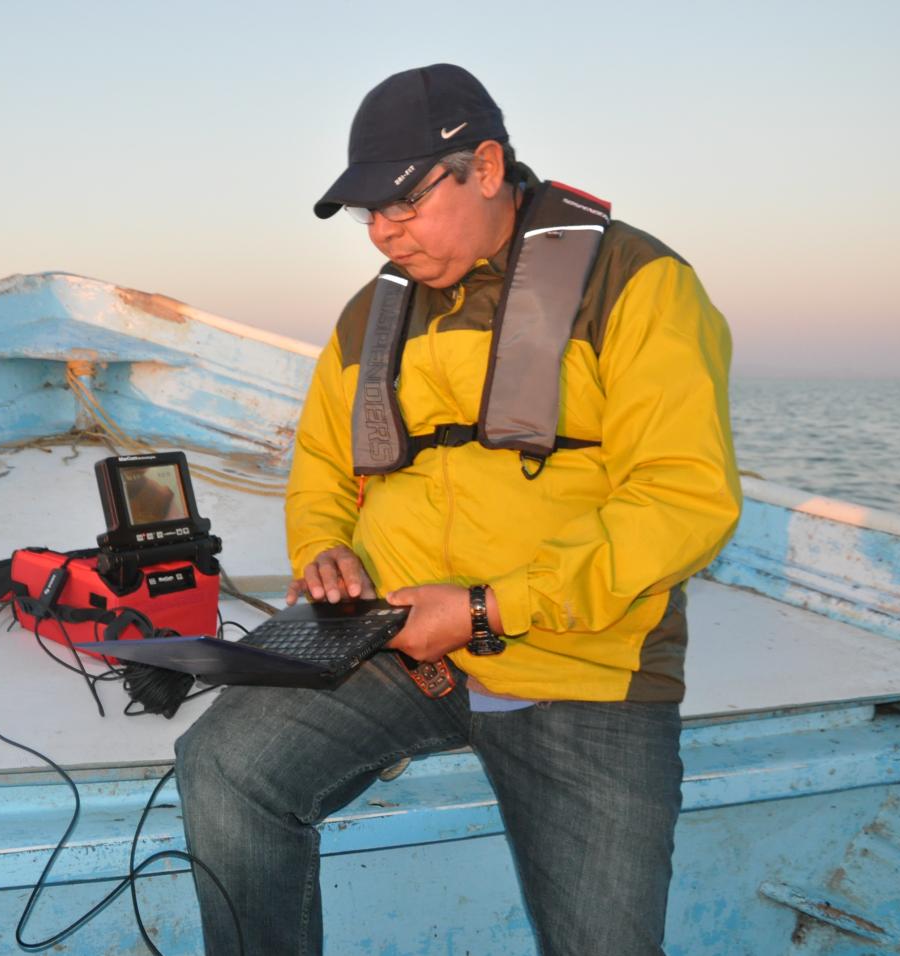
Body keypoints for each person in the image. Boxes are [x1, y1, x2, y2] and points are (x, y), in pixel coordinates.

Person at [174, 63, 742, 955]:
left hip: (580, 665)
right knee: (223, 767)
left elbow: (684, 502)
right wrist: (326, 548)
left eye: (405, 204)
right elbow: (323, 460)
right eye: (372, 215)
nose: (386, 236)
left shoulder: (639, 282)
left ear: (486, 167)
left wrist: (484, 608)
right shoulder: (370, 314)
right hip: (393, 644)